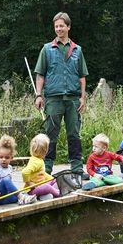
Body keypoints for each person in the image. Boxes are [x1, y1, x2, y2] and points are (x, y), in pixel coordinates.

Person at [34, 11, 89, 176]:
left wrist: (83, 97)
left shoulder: (77, 50)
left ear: (68, 27)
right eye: (56, 26)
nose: (58, 29)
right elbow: (40, 74)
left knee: (74, 133)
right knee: (51, 135)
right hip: (53, 99)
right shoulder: (47, 49)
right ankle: (47, 168)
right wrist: (38, 95)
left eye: (61, 26)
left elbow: (82, 76)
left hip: (73, 100)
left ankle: (77, 168)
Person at [0, 135, 37, 205]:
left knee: (17, 195)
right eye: (1, 157)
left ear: (11, 158)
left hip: (4, 198)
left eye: (7, 157)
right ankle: (21, 197)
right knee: (6, 180)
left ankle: (23, 198)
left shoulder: (9, 168)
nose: (3, 159)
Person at [22, 134, 60, 200]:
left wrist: (51, 179)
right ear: (45, 151)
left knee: (55, 181)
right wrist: (29, 183)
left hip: (40, 185)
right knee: (47, 187)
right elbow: (24, 172)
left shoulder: (38, 159)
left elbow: (42, 173)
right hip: (32, 190)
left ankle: (44, 196)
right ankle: (58, 193)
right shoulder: (37, 162)